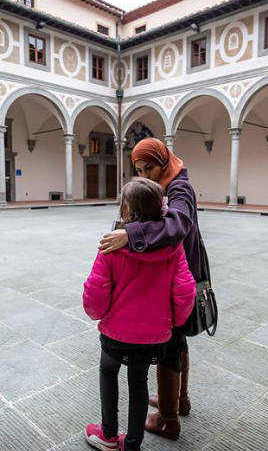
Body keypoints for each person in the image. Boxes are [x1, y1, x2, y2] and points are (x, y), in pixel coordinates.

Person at [99, 138, 204, 441]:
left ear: (163, 161)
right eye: (139, 171)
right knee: (178, 339)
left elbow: (178, 225)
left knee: (171, 344)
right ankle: (179, 400)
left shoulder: (179, 187)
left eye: (149, 168)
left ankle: (168, 419)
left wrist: (130, 233)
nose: (145, 176)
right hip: (177, 273)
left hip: (179, 274)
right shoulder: (169, 182)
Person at [83, 177, 196, 451]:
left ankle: (108, 435)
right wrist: (175, 323)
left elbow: (95, 293)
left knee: (108, 373)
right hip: (153, 338)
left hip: (114, 334)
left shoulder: (112, 245)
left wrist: (97, 314)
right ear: (161, 209)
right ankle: (132, 444)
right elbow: (185, 291)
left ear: (125, 209)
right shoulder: (173, 247)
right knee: (139, 383)